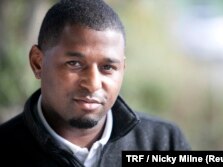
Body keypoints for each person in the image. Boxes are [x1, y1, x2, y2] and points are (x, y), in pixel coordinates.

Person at [0, 0, 190, 166]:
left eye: (107, 67)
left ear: (123, 68)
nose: (93, 84)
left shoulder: (163, 142)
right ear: (37, 62)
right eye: (74, 64)